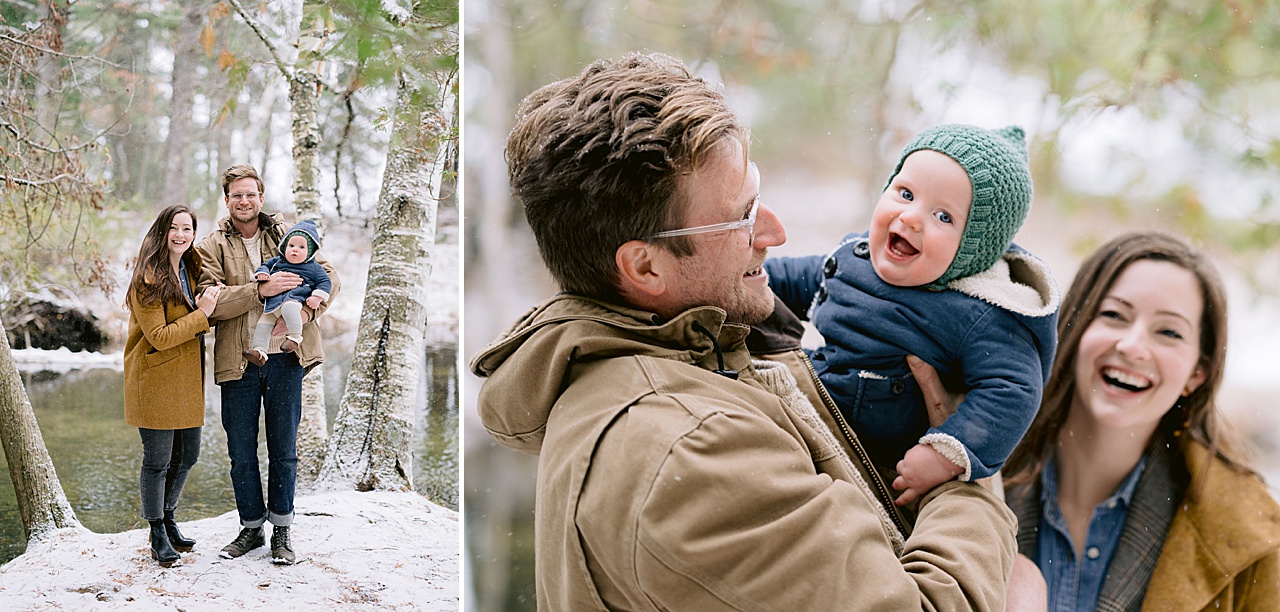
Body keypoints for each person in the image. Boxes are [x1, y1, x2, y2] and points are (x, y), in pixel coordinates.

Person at [469, 52, 1033, 610]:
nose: (776, 231)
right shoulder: (690, 450)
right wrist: (967, 480)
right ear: (645, 267)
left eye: (759, 196)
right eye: (743, 215)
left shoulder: (701, 350)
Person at [765, 124, 1059, 505]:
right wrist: (736, 280)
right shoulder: (854, 260)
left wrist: (945, 454)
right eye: (905, 194)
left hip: (877, 466)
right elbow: (791, 280)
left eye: (943, 216)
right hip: (806, 403)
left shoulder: (978, 314)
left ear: (974, 249)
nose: (911, 218)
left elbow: (1013, 391)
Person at [1001, 232, 1280, 610]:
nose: (1132, 346)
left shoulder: (1249, 537)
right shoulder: (970, 468)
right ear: (1075, 328)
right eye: (1114, 315)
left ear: (1197, 373)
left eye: (1168, 332)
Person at [195, 164, 340, 566]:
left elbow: (329, 277)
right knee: (241, 452)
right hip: (237, 361)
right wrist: (260, 290)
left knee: (284, 449)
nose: (245, 201)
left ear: (261, 197)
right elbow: (212, 303)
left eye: (251, 194)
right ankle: (251, 527)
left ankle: (282, 530)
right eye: (236, 195)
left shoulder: (289, 236)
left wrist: (310, 314)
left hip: (286, 360)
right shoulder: (209, 246)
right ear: (227, 200)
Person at [123, 204, 222, 567]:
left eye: (188, 229)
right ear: (162, 231)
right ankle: (156, 532)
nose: (181, 235)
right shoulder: (147, 278)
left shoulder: (192, 268)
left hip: (185, 378)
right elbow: (161, 337)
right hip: (153, 377)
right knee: (158, 461)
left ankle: (168, 518)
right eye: (175, 228)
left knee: (189, 455)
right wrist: (202, 316)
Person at [243, 219, 332, 367]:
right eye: (291, 245)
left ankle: (295, 338)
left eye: (301, 247)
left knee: (289, 308)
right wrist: (262, 274)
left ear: (310, 252)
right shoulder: (277, 262)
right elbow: (265, 266)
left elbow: (326, 282)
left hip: (294, 300)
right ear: (284, 247)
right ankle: (260, 351)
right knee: (263, 322)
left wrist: (317, 297)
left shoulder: (314, 268)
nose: (295, 250)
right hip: (273, 303)